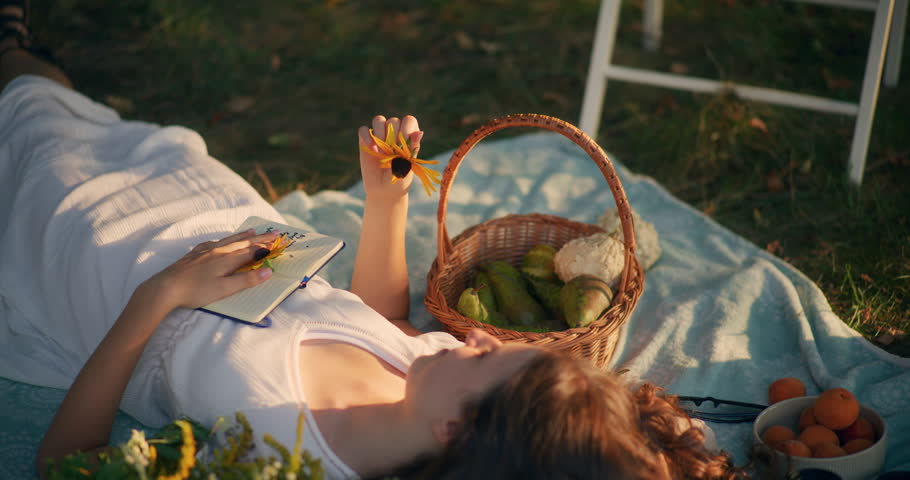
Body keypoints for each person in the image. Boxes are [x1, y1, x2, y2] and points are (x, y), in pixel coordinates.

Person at [0, 4, 743, 479]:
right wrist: (386, 202)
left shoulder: (278, 454)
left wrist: (163, 293)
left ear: (456, 430)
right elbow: (381, 322)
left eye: (487, 358)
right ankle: (25, 58)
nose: (475, 339)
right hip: (219, 220)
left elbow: (66, 463)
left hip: (103, 268)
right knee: (107, 131)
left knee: (37, 139)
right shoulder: (428, 389)